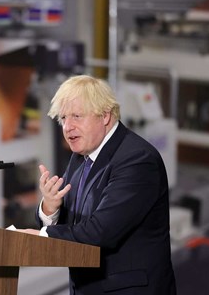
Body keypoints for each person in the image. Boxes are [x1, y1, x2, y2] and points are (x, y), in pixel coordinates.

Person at [20, 75, 176, 294]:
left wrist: (43, 236)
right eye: (64, 118)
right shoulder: (80, 157)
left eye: (76, 116)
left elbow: (101, 232)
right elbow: (75, 226)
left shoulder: (137, 159)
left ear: (105, 116)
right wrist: (50, 209)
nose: (68, 126)